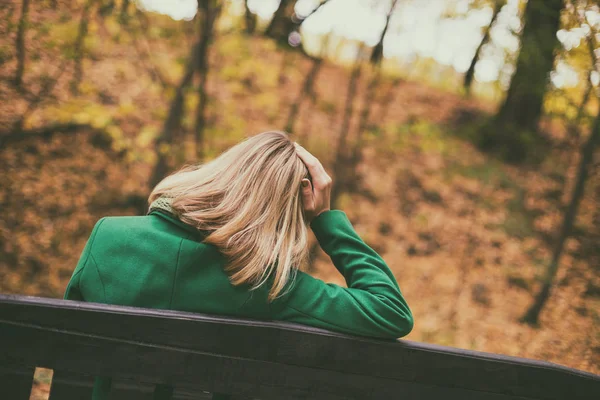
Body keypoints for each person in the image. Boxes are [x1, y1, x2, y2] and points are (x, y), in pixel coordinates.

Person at [64, 130, 413, 399]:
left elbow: (67, 350)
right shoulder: (269, 286)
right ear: (285, 216)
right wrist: (325, 220)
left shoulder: (108, 237)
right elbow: (390, 311)